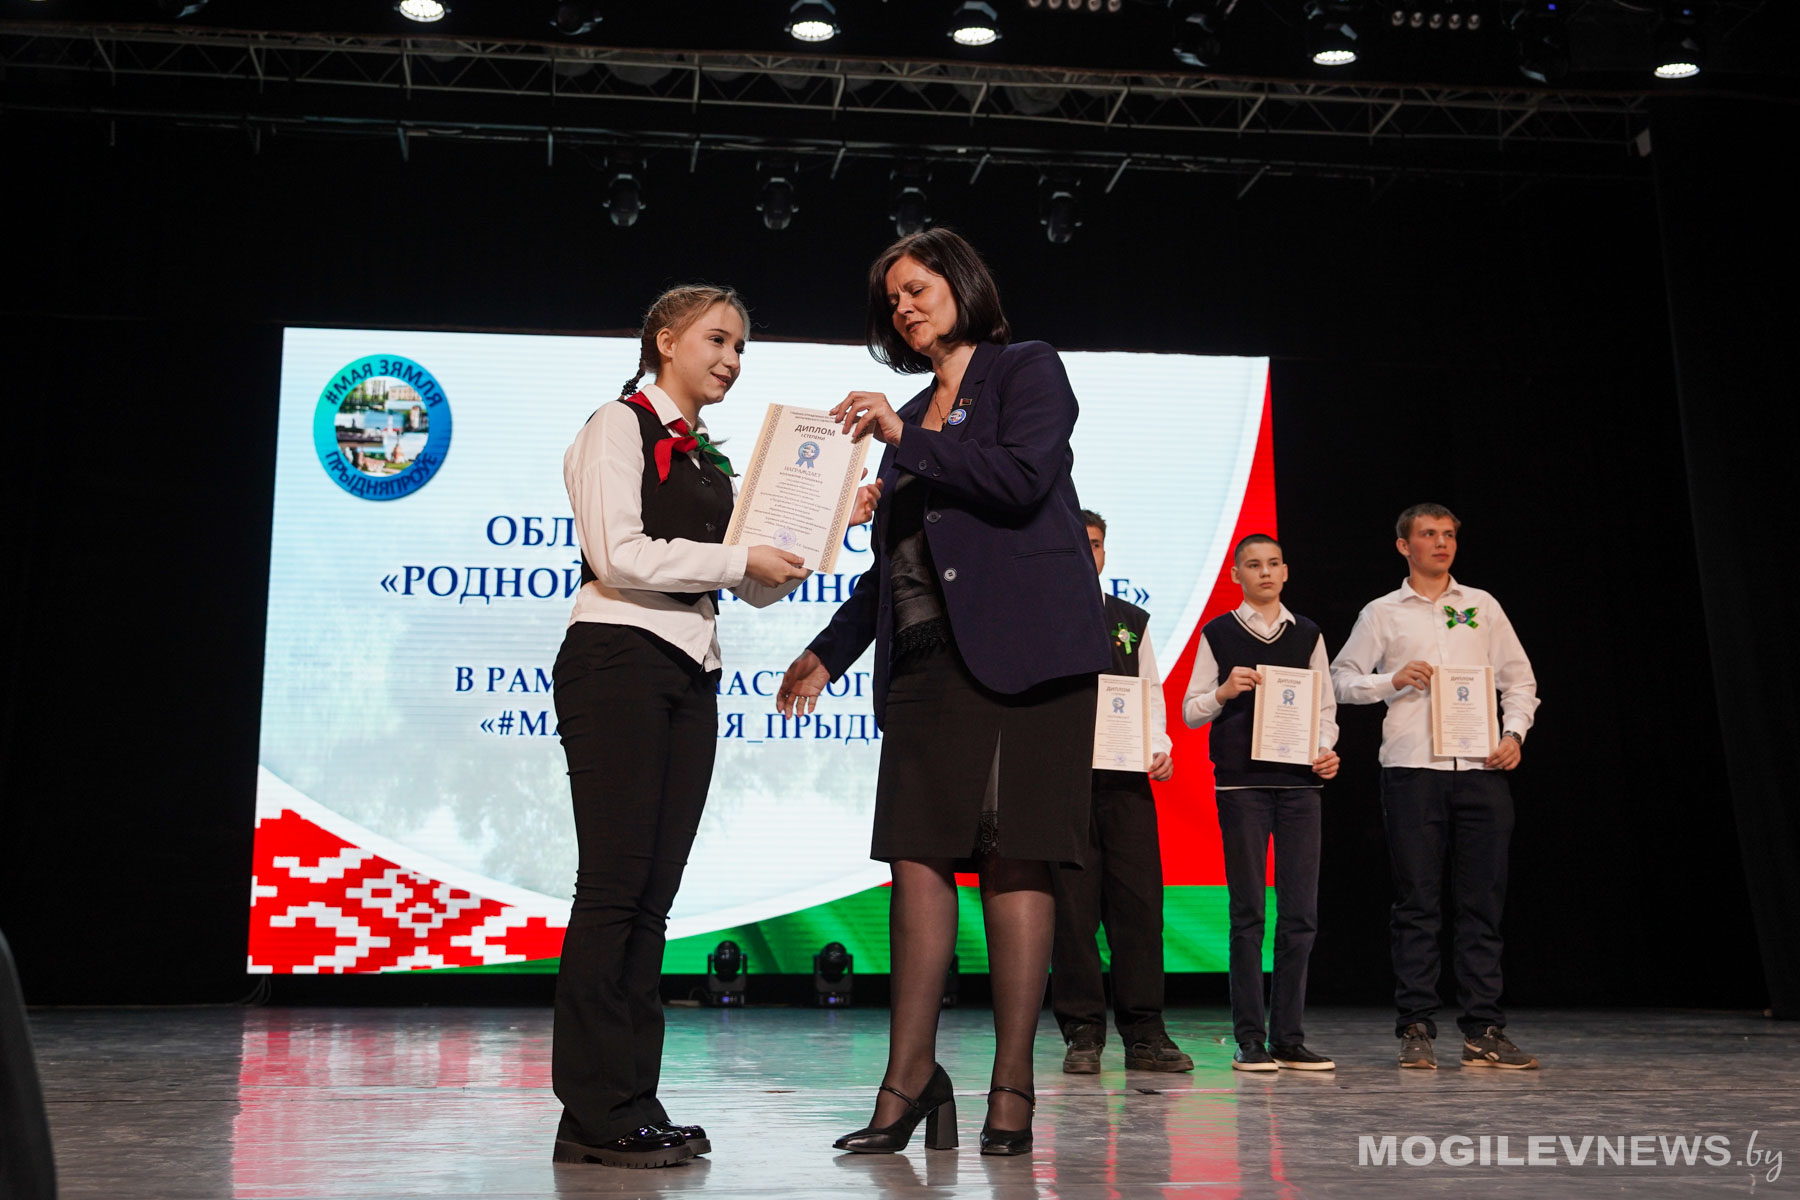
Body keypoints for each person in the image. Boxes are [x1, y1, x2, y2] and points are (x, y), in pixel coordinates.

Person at [777, 228, 1109, 1158]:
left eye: (917, 288)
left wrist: (906, 441)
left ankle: (1013, 1085)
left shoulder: (1024, 369)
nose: (904, 308)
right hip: (925, 665)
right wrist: (831, 651)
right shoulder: (914, 418)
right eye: (892, 300)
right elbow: (900, 565)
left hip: (1028, 656)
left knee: (1015, 860)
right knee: (915, 861)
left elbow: (1023, 478)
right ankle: (909, 1079)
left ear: (962, 284)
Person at [551, 285, 836, 1168]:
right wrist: (740, 556)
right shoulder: (617, 424)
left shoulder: (705, 455)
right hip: (616, 659)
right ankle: (593, 1110)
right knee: (614, 889)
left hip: (688, 667)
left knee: (652, 901)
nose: (732, 359)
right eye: (717, 340)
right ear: (665, 340)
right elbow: (618, 553)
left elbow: (746, 583)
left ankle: (631, 1100)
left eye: (741, 347)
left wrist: (822, 528)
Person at [1330, 503, 1540, 1070]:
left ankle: (1484, 1028)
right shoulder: (1383, 612)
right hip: (1412, 770)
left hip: (1481, 770)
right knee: (1417, 903)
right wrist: (1390, 680)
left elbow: (1520, 681)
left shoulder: (1482, 605)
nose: (1441, 543)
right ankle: (1416, 1026)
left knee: (1482, 904)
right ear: (1405, 546)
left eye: (1448, 534)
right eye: (1429, 534)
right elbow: (1340, 681)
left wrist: (1514, 733)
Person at [1182, 534, 1339, 1072]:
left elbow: (1324, 708)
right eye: (1253, 564)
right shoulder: (1219, 633)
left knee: (1300, 915)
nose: (1265, 572)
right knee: (1248, 912)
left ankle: (1288, 1037)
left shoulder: (1308, 633)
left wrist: (1325, 750)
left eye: (1273, 563)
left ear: (1286, 571)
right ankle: (1250, 1038)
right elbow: (1191, 711)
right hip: (1242, 787)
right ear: (1236, 575)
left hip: (1300, 788)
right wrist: (1223, 692)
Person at [1049, 510, 1188, 1075]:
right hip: (1064, 785)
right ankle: (1083, 1033)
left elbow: (1149, 690)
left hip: (1126, 781)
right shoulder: (1041, 616)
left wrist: (1159, 746)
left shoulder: (1129, 620)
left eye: (1098, 544)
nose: (1090, 552)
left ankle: (1145, 1033)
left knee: (1139, 908)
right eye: (1080, 543)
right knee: (1072, 914)